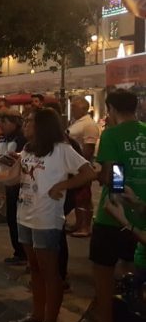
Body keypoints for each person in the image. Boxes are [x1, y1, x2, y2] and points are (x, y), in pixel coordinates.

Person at [0, 109, 96, 322]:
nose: (25, 124)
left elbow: (88, 172)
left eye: (29, 121)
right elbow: (13, 176)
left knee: (50, 272)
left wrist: (62, 186)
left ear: (44, 125)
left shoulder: (62, 150)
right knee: (35, 269)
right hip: (25, 214)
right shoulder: (29, 149)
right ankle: (36, 314)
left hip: (46, 218)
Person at [89, 89, 145, 322]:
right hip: (143, 216)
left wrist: (99, 175)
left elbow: (115, 176)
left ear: (110, 109)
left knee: (103, 277)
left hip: (113, 215)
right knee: (136, 278)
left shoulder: (112, 135)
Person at [0, 111, 28, 265]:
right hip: (8, 182)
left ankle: (23, 252)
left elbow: (23, 164)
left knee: (17, 218)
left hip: (18, 184)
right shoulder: (5, 137)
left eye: (4, 121)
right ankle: (18, 251)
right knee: (11, 218)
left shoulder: (22, 139)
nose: (1, 125)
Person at [66, 96, 100, 237]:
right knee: (77, 197)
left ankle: (85, 227)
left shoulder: (89, 124)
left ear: (83, 108)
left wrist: (80, 165)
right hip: (72, 165)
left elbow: (88, 148)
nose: (72, 109)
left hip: (80, 166)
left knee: (83, 197)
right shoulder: (77, 122)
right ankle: (79, 223)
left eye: (74, 106)